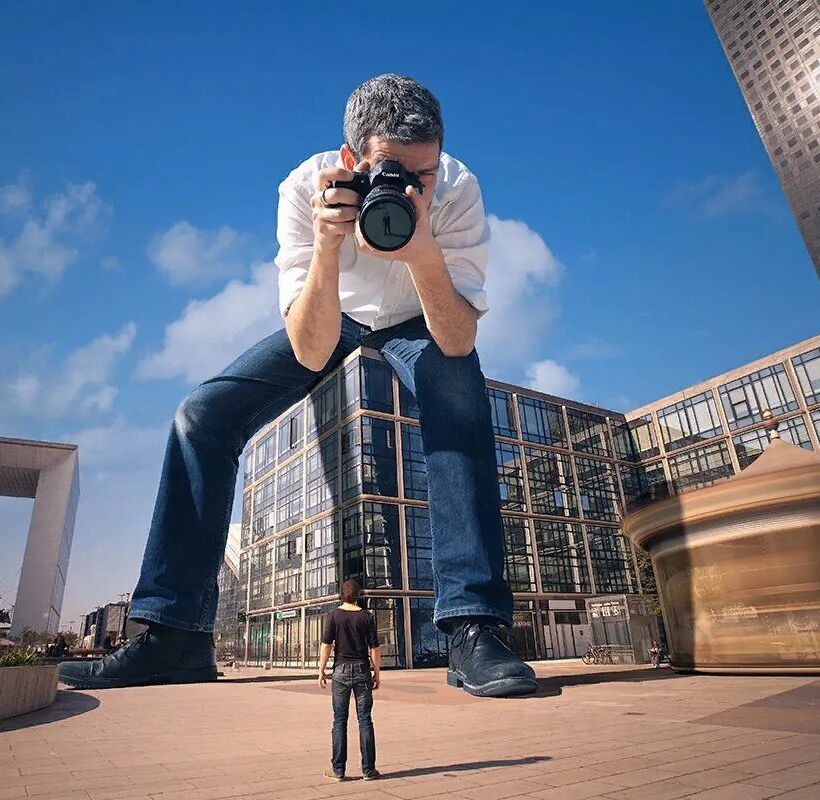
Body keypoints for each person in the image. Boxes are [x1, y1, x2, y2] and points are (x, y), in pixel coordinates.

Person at [59, 73, 538, 698]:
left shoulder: (458, 189)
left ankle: (472, 625)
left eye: (423, 175)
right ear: (350, 161)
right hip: (330, 312)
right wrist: (328, 249)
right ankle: (173, 633)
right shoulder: (302, 189)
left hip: (421, 317)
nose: (410, 190)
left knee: (459, 395)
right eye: (391, 173)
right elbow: (311, 347)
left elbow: (457, 340)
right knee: (200, 416)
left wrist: (422, 252)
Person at [319, 580, 380, 781]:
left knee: (339, 721)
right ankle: (369, 770)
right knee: (365, 721)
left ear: (341, 595)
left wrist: (321, 670)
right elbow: (374, 648)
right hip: (362, 670)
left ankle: (338, 770)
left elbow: (326, 645)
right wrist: (377, 673)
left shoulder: (333, 616)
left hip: (340, 671)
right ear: (357, 595)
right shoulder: (366, 617)